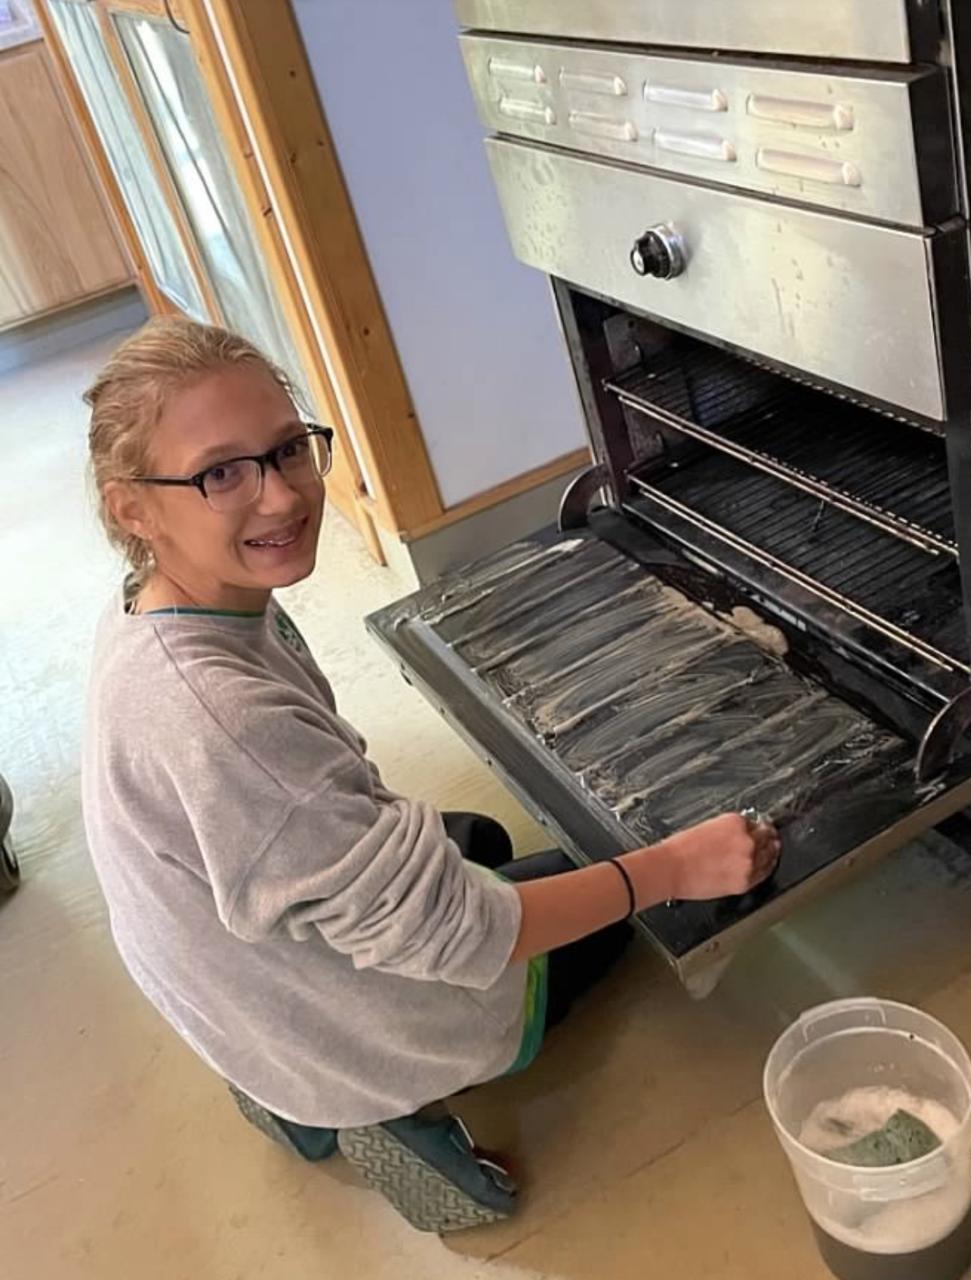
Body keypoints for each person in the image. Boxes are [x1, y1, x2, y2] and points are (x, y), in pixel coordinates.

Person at [81, 318, 780, 1232]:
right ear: (132, 508)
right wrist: (674, 868)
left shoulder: (153, 604)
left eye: (287, 449)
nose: (281, 496)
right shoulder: (223, 723)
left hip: (231, 986)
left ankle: (288, 1092)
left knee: (478, 840)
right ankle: (373, 1103)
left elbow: (291, 825)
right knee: (604, 904)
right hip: (326, 1020)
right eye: (221, 473)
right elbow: (461, 935)